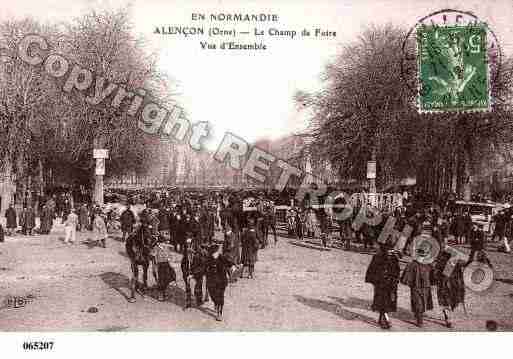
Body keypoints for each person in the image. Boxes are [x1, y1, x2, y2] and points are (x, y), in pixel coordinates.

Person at [365, 242, 401, 329]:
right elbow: (371, 270)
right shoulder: (377, 258)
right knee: (382, 301)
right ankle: (386, 320)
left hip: (391, 284)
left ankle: (382, 318)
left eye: (392, 250)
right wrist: (375, 280)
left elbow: (397, 271)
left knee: (388, 302)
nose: (390, 252)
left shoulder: (394, 259)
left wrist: (395, 280)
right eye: (389, 250)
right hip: (380, 284)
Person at [400, 248, 434, 327]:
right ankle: (419, 319)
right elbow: (406, 276)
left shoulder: (429, 265)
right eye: (421, 255)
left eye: (425, 255)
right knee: (418, 302)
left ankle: (419, 315)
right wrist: (409, 282)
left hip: (426, 286)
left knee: (424, 302)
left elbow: (433, 275)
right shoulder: (412, 264)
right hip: (416, 287)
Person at [434, 246, 466, 328]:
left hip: (444, 286)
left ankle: (448, 318)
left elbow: (435, 274)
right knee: (450, 301)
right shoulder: (456, 263)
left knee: (444, 302)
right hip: (451, 286)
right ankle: (448, 318)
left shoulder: (441, 263)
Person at [205, 244, 235, 321]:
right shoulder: (208, 259)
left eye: (217, 252)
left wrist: (233, 266)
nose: (216, 254)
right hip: (211, 281)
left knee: (220, 296)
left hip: (221, 280)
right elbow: (204, 267)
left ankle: (219, 313)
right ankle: (215, 302)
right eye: (214, 253)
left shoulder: (222, 257)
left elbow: (229, 263)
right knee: (213, 295)